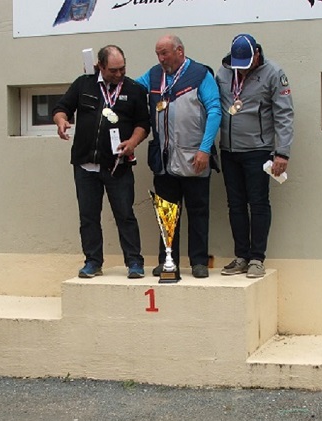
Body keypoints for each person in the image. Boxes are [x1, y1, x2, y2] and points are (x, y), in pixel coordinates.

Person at [53, 45, 150, 279]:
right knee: (88, 217)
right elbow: (61, 108)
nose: (119, 74)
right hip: (85, 165)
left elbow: (143, 124)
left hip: (117, 165)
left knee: (125, 214)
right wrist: (61, 121)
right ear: (100, 66)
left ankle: (134, 262)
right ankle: (93, 262)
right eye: (113, 70)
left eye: (122, 69)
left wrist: (132, 142)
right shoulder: (83, 84)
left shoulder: (134, 89)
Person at [135, 35, 222, 279]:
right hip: (164, 161)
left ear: (180, 51)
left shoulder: (200, 75)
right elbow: (131, 90)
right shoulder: (154, 75)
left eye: (165, 53)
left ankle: (199, 262)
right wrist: (100, 78)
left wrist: (205, 149)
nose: (161, 59)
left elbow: (215, 111)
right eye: (158, 54)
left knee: (198, 213)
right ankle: (167, 262)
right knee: (166, 214)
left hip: (195, 158)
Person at [215, 34, 294, 278]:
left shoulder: (273, 73)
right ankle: (241, 256)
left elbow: (284, 114)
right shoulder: (223, 72)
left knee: (258, 203)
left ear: (257, 54)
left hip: (258, 151)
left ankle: (257, 259)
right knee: (235, 205)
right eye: (238, 65)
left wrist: (282, 152)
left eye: (247, 64)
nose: (242, 70)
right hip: (229, 150)